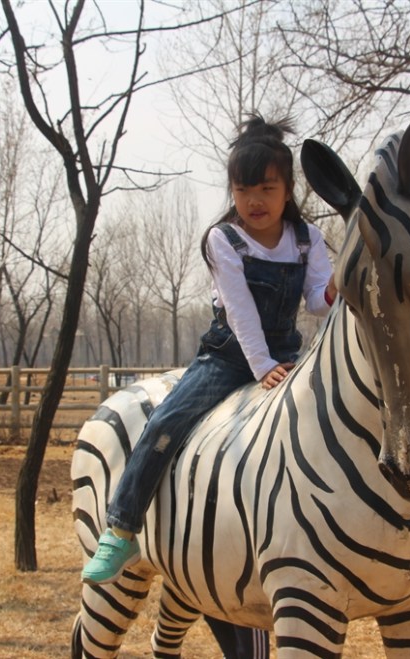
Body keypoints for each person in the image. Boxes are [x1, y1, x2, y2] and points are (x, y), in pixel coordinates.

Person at [81, 114, 336, 588]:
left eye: (266, 188)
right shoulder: (224, 239)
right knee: (163, 422)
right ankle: (121, 527)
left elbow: (319, 304)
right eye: (242, 190)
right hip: (229, 357)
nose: (254, 201)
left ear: (288, 189)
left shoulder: (308, 240)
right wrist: (261, 367)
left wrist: (338, 285)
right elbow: (239, 313)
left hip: (284, 357)